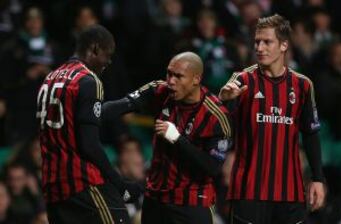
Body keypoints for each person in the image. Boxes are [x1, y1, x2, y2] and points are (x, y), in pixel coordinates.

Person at [219, 14, 326, 224]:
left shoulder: (303, 85)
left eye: (267, 42)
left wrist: (317, 179)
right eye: (257, 42)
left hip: (290, 192)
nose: (259, 47)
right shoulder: (242, 80)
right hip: (249, 191)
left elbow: (311, 134)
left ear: (284, 45)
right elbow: (221, 128)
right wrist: (224, 102)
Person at [103, 51, 232, 223]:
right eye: (169, 74)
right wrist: (89, 110)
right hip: (155, 200)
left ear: (196, 79)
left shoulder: (215, 116)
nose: (171, 81)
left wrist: (177, 140)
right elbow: (125, 104)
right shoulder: (160, 90)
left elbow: (212, 167)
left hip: (191, 205)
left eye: (179, 76)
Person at [36, 25, 141, 224]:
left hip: (54, 190)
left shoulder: (49, 78)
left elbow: (87, 116)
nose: (108, 62)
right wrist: (120, 184)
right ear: (94, 48)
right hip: (82, 185)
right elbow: (89, 145)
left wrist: (131, 102)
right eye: (107, 55)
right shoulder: (88, 80)